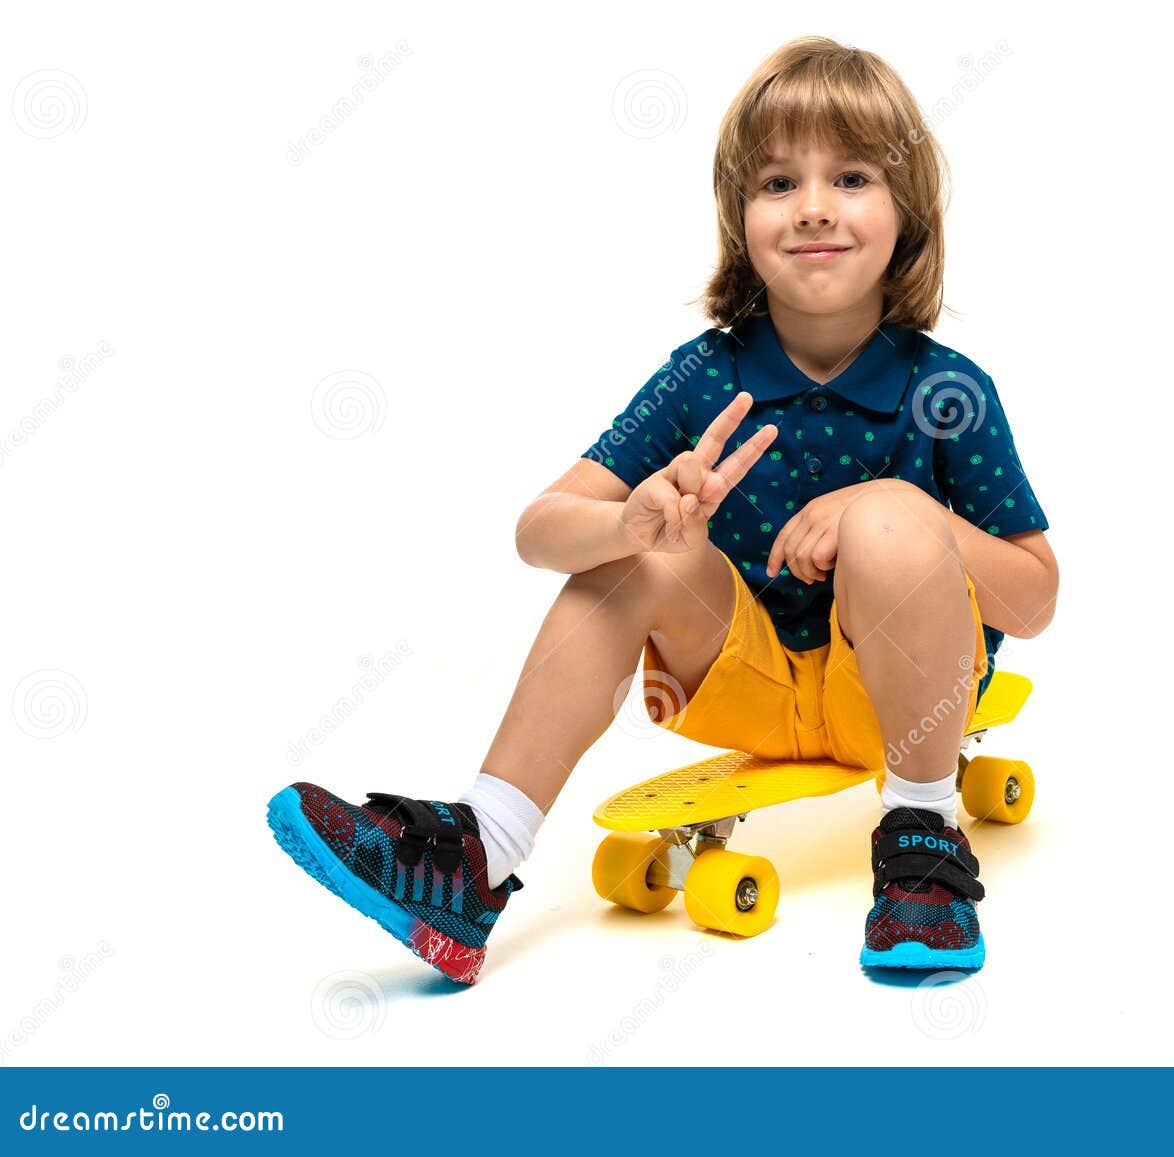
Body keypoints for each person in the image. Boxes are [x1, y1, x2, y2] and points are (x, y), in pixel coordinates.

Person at [266, 35, 1057, 984]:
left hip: (903, 703)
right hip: (749, 687)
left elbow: (1034, 600)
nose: (812, 208)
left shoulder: (946, 389)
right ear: (740, 217)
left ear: (907, 213)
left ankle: (923, 837)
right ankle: (478, 855)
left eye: (851, 176)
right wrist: (626, 521)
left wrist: (894, 505)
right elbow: (539, 529)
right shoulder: (704, 373)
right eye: (777, 183)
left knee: (894, 521)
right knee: (644, 553)